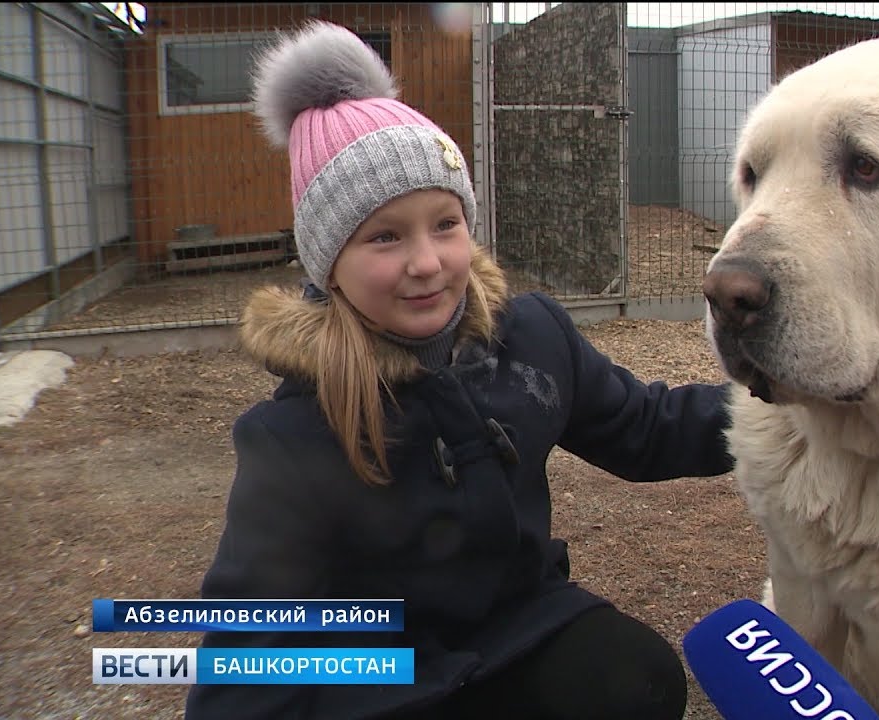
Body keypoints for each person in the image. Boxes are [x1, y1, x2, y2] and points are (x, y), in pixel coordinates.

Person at [183, 20, 733, 720]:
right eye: (384, 236)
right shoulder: (292, 435)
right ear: (329, 265)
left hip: (518, 625)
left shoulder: (532, 338)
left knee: (638, 678)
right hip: (385, 676)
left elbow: (646, 428)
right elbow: (249, 656)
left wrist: (784, 406)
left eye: (445, 223)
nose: (427, 262)